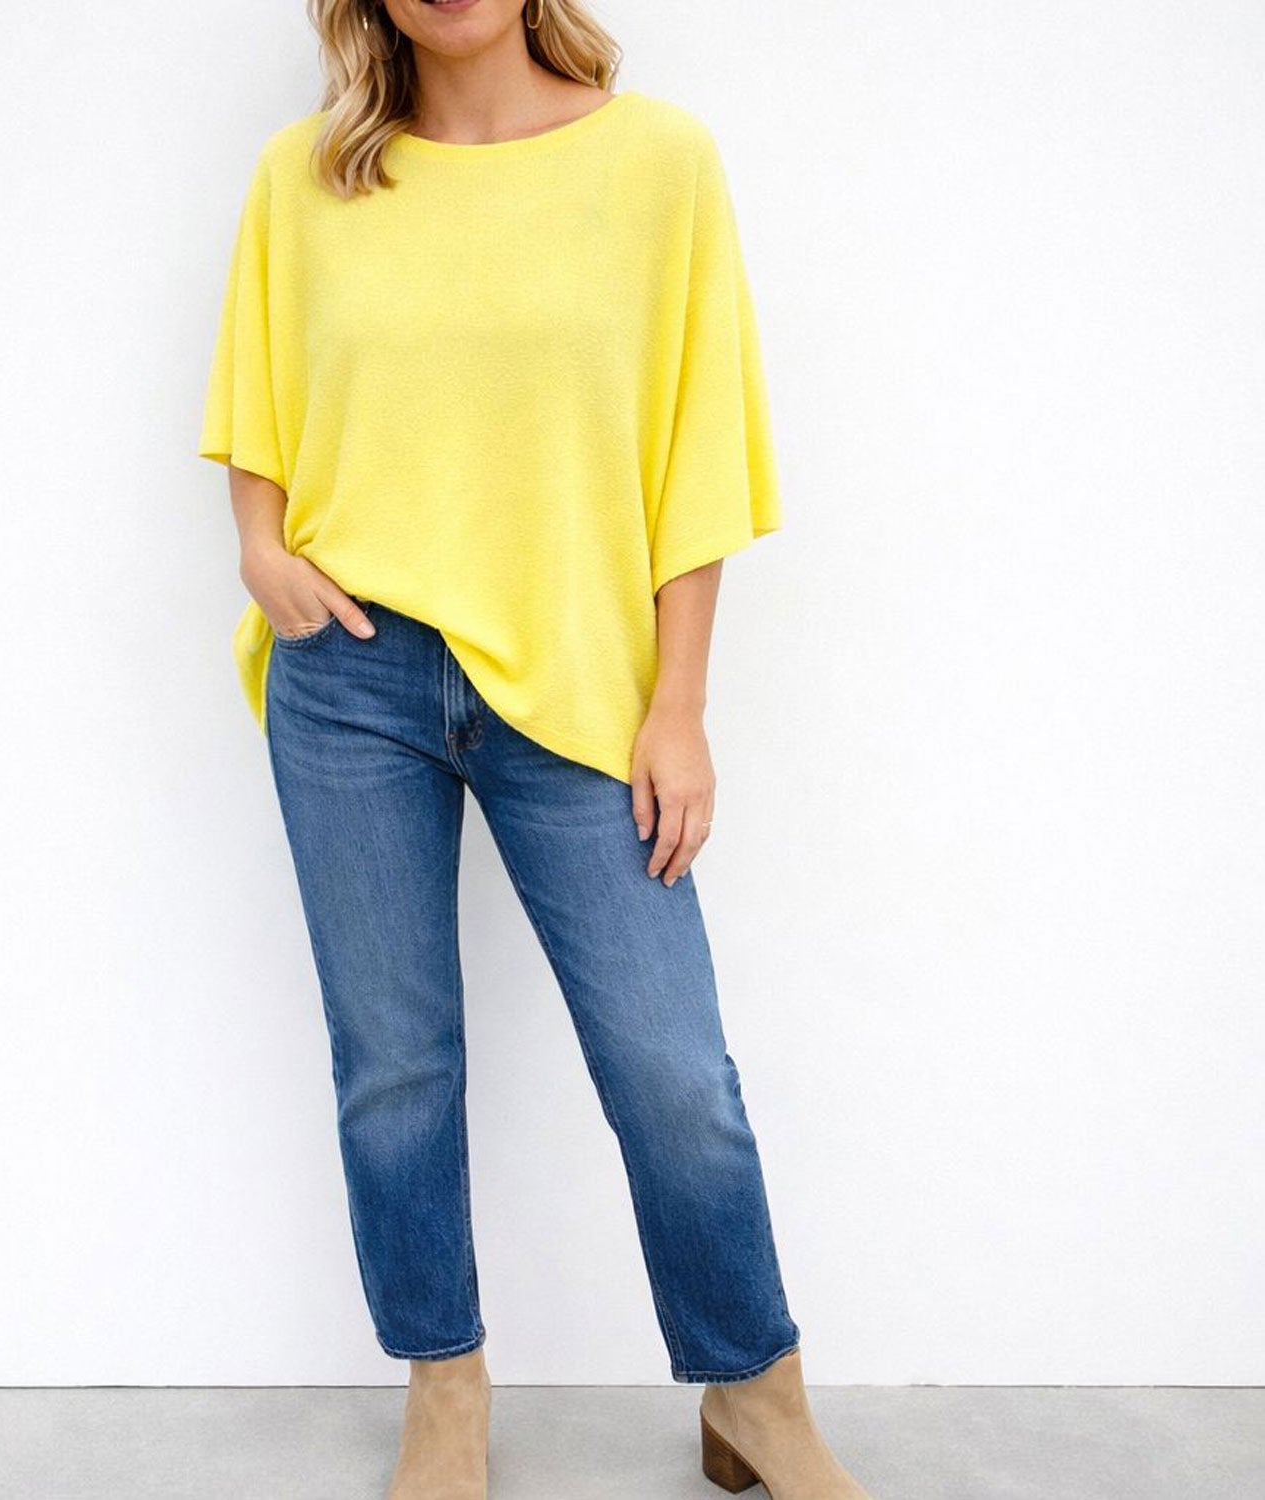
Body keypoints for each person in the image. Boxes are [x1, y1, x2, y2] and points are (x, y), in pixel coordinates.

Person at [198, 2, 873, 1496]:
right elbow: (257, 394)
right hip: (352, 676)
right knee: (394, 1065)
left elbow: (697, 449)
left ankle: (755, 1391)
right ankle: (444, 1389)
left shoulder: (659, 162)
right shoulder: (308, 176)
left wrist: (679, 706)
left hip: (577, 682)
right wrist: (260, 547)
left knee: (671, 1070)